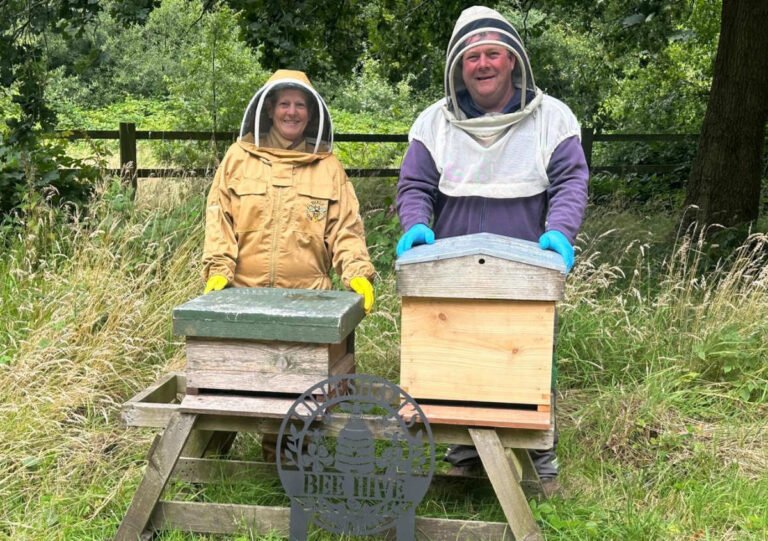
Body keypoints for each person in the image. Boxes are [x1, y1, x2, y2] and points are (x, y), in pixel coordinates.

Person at [395, 6, 589, 495]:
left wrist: (561, 232)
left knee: (527, 360)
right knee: (459, 357)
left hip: (525, 263)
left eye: (492, 54)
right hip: (452, 263)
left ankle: (539, 460)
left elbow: (570, 181)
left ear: (512, 60)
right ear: (459, 67)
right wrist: (416, 225)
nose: (482, 64)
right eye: (472, 56)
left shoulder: (552, 118)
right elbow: (415, 185)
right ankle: (465, 455)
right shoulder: (433, 123)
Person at [202, 70, 376, 460]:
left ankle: (286, 466)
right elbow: (219, 219)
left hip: (307, 301)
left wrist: (357, 273)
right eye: (284, 103)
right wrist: (217, 271)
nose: (292, 112)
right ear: (269, 110)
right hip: (242, 297)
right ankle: (209, 460)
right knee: (228, 383)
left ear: (311, 114)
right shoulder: (238, 159)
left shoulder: (328, 167)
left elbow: (345, 228)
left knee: (299, 392)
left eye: (300, 105)